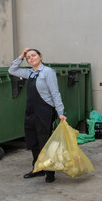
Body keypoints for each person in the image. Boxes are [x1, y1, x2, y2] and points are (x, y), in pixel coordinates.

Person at [9, 48, 67, 183]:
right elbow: (12, 70)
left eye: (33, 55)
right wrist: (21, 56)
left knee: (44, 142)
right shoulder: (29, 73)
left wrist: (60, 112)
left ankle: (50, 173)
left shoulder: (48, 72)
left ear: (40, 56)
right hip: (30, 112)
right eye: (28, 57)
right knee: (33, 142)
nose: (31, 58)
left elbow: (55, 93)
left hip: (44, 112)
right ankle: (38, 169)